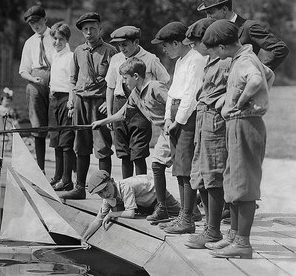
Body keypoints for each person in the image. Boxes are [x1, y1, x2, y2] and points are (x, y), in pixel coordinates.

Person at [201, 20, 274, 259]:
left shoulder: (244, 60)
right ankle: (233, 236)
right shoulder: (242, 58)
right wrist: (228, 100)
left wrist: (241, 102)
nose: (211, 54)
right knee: (233, 180)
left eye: (212, 50)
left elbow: (255, 80)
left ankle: (243, 243)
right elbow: (268, 75)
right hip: (238, 124)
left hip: (246, 124)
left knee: (244, 185)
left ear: (222, 47)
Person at [94, 56, 180, 224]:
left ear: (135, 76)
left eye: (125, 78)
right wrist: (102, 122)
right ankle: (163, 207)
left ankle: (189, 210)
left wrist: (174, 123)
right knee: (157, 165)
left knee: (184, 171)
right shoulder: (135, 93)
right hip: (165, 133)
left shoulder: (155, 87)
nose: (124, 82)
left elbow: (173, 103)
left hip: (177, 130)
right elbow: (123, 113)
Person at [151, 22, 207, 234]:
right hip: (175, 117)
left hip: (186, 118)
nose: (164, 50)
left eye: (166, 46)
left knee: (185, 168)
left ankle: (187, 218)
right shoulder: (181, 60)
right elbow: (172, 93)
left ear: (176, 42)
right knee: (178, 168)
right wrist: (167, 119)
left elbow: (191, 95)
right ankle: (186, 214)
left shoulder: (196, 60)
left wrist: (178, 121)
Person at [180, 17, 231, 249]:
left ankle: (213, 232)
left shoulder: (225, 62)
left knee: (213, 178)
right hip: (203, 120)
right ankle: (209, 229)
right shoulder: (210, 60)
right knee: (199, 175)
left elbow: (255, 80)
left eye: (195, 44)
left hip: (215, 122)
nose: (192, 48)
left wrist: (222, 102)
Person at [61, 12, 117, 200]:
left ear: (100, 29)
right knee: (81, 146)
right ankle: (79, 188)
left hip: (99, 104)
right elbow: (73, 79)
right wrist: (71, 100)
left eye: (92, 28)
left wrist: (108, 105)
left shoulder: (110, 51)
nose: (89, 32)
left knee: (102, 149)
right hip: (80, 103)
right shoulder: (78, 51)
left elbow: (116, 82)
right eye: (85, 29)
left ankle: (107, 192)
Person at [106, 26, 170, 179]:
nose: (122, 48)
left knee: (138, 152)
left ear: (136, 42)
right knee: (123, 152)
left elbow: (164, 81)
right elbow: (110, 86)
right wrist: (109, 113)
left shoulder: (150, 58)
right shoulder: (116, 59)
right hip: (120, 104)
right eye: (119, 45)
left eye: (125, 44)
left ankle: (142, 190)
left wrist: (151, 100)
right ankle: (127, 189)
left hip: (141, 108)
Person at [197, 0, 288, 71]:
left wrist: (260, 72)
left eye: (210, 13)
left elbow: (280, 48)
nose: (207, 18)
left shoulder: (248, 28)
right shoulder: (214, 31)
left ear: (224, 10)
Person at [82, 169, 181, 241]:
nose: (105, 194)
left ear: (112, 181)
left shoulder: (125, 187)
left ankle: (194, 200)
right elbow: (98, 219)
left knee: (181, 211)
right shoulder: (107, 197)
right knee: (116, 209)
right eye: (100, 193)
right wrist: (84, 238)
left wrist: (111, 214)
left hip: (158, 196)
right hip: (145, 204)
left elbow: (130, 214)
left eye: (106, 189)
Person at [18, 5, 54, 173]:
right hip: (36, 80)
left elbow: (65, 59)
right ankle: (40, 169)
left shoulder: (56, 36)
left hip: (55, 79)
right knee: (38, 125)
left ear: (45, 20)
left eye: (38, 21)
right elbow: (23, 69)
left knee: (57, 124)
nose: (35, 26)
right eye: (32, 23)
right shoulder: (30, 42)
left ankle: (64, 172)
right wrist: (33, 78)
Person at [48, 22, 75, 192]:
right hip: (55, 98)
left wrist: (71, 102)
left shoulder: (70, 56)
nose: (57, 42)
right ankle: (57, 176)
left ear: (66, 40)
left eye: (61, 39)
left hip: (66, 99)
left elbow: (72, 81)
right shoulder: (55, 56)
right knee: (55, 139)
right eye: (55, 38)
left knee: (66, 141)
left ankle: (67, 179)